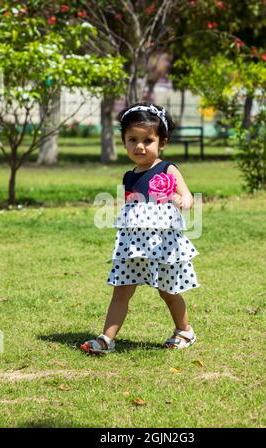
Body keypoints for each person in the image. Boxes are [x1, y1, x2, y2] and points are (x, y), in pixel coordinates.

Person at [80, 102, 200, 355]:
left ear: (162, 142)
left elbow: (188, 197)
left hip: (163, 244)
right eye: (132, 139)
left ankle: (185, 331)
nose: (140, 146)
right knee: (121, 291)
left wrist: (182, 201)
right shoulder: (129, 175)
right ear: (124, 142)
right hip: (133, 244)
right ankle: (106, 339)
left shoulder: (167, 168)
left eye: (148, 140)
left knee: (167, 291)